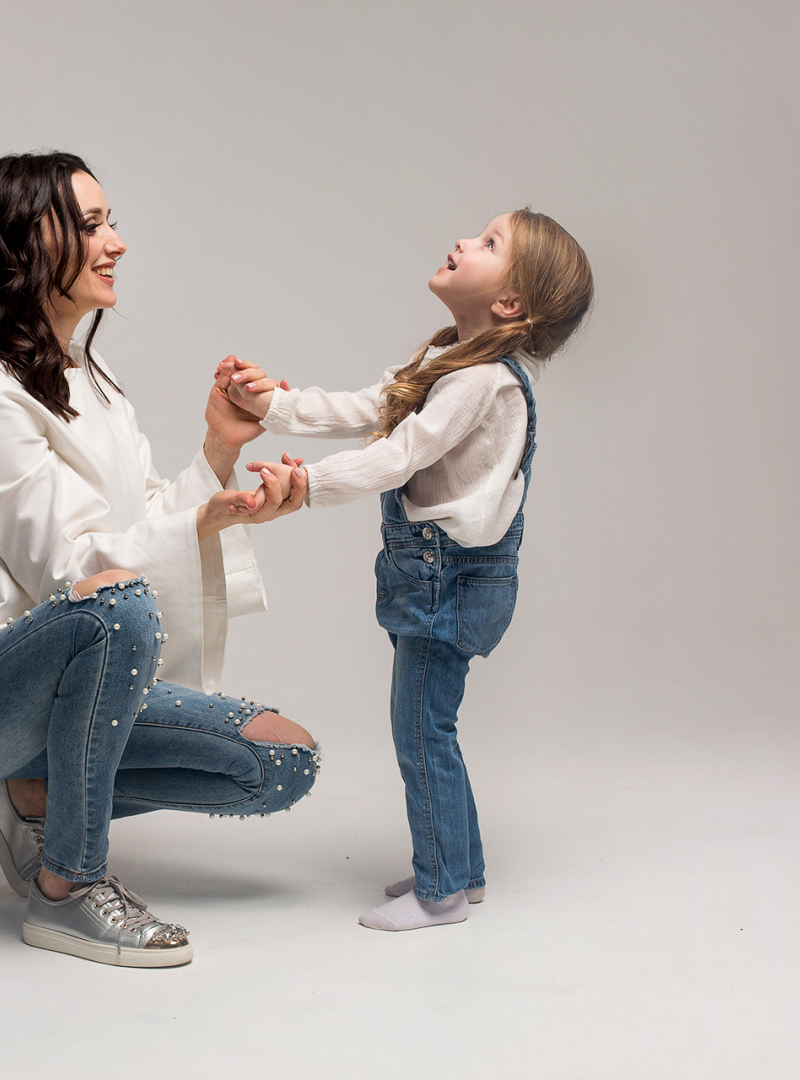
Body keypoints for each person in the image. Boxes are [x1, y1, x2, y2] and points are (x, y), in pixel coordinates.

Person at [0, 152, 317, 967]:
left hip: (63, 685)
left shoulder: (95, 384)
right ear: (26, 244)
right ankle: (69, 887)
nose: (118, 243)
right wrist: (193, 524)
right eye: (93, 224)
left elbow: (141, 524)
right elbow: (67, 569)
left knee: (280, 761)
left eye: (111, 222)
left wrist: (217, 458)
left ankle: (34, 794)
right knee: (116, 604)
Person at [217, 208, 593, 931]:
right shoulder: (449, 358)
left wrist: (307, 488)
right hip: (431, 573)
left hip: (448, 580)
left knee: (422, 731)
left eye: (489, 244)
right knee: (430, 725)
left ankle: (442, 890)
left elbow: (400, 454)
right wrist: (272, 403)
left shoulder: (483, 382)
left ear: (511, 303)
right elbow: (369, 408)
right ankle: (464, 870)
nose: (463, 240)